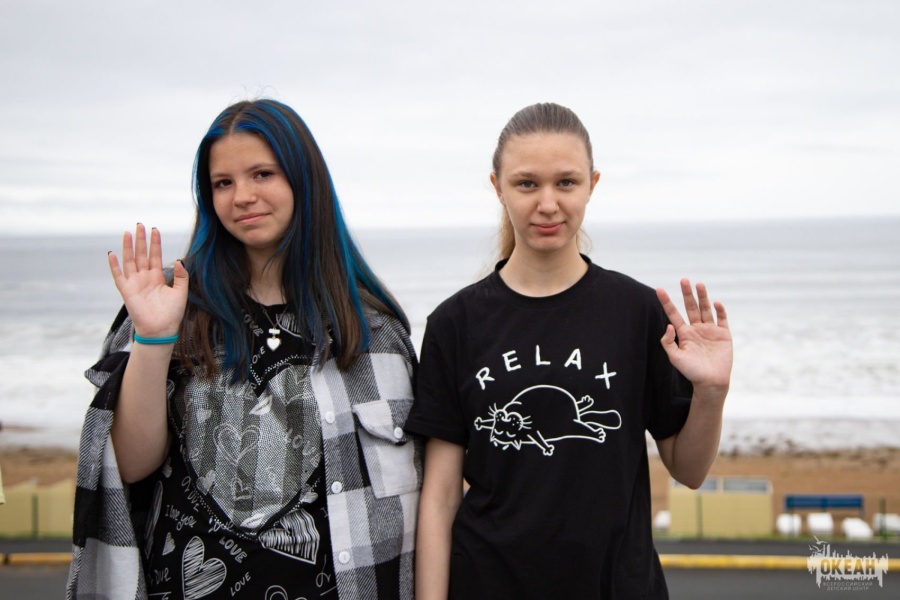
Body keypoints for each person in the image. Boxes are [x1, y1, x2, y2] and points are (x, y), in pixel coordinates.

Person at [67, 99, 422, 600]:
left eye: (262, 174)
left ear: (304, 181)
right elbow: (130, 463)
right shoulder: (176, 303)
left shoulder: (373, 329)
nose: (242, 197)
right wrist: (154, 337)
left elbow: (420, 493)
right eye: (223, 183)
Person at [406, 102, 733, 599]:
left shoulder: (637, 312)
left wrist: (711, 392)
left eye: (566, 182)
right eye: (526, 184)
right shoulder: (455, 324)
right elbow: (441, 497)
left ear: (592, 185)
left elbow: (688, 471)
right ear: (497, 187)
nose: (548, 203)